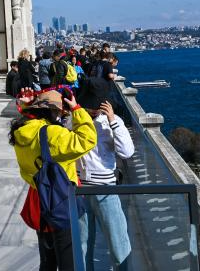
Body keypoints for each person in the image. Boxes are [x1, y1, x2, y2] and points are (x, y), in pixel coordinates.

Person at [10, 88, 97, 271]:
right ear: (51, 111)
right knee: (68, 259)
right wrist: (77, 108)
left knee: (47, 260)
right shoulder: (51, 134)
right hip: (60, 201)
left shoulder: (22, 131)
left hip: (38, 200)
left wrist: (27, 105)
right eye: (58, 111)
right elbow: (88, 139)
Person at [76, 78, 134, 270]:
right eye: (89, 106)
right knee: (83, 243)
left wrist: (112, 121)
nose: (93, 110)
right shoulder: (73, 121)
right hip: (79, 189)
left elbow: (126, 152)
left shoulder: (114, 122)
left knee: (118, 242)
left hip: (105, 189)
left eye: (95, 106)